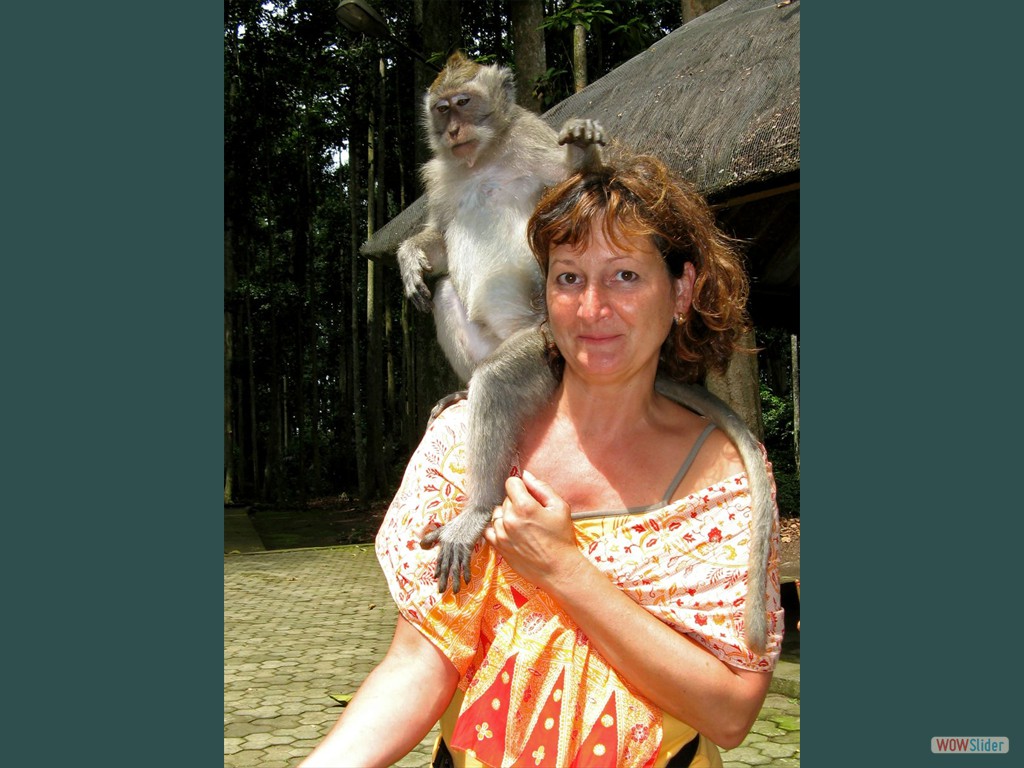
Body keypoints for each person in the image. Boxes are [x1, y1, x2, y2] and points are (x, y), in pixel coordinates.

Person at [299, 150, 784, 768]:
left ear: (681, 289)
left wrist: (563, 569)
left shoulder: (723, 479)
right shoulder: (463, 443)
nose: (592, 309)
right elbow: (421, 662)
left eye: (625, 276)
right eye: (569, 278)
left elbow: (731, 711)